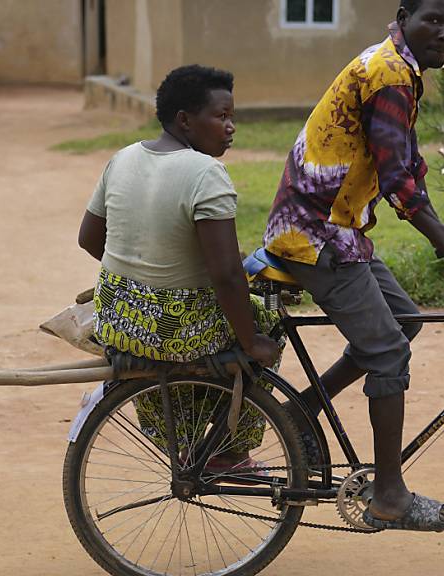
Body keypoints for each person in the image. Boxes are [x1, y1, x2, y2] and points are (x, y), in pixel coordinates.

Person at [263, 0, 444, 531]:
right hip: (316, 233)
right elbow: (397, 183)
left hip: (337, 228)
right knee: (387, 352)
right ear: (405, 15)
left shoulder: (399, 67)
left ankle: (298, 414)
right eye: (435, 19)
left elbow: (407, 164)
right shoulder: (390, 73)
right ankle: (389, 494)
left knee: (403, 324)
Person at [78, 64, 282, 474]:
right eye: (221, 116)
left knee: (203, 331)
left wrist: (144, 275)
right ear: (185, 120)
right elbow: (225, 274)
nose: (230, 127)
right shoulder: (206, 173)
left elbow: (88, 239)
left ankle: (182, 440)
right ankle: (229, 451)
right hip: (174, 329)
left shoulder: (122, 158)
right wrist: (252, 340)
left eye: (232, 117)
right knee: (265, 326)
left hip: (117, 320)